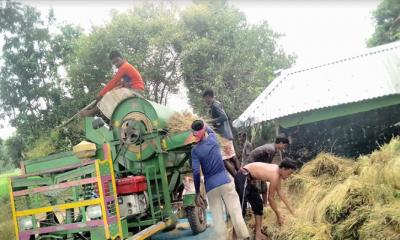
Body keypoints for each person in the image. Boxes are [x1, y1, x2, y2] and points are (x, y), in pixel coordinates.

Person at [191, 120, 249, 240]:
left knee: (217, 218)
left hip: (211, 187)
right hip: (225, 181)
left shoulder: (195, 151)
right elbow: (209, 129)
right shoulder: (213, 139)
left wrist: (197, 192)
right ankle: (245, 237)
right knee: (235, 212)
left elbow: (196, 172)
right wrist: (203, 123)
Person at [235, 159, 296, 240]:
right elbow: (270, 199)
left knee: (258, 205)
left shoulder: (278, 173)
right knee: (242, 208)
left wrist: (291, 209)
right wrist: (278, 215)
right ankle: (234, 237)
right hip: (243, 175)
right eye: (289, 173)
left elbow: (280, 192)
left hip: (249, 179)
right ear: (283, 169)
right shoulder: (275, 175)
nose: (289, 176)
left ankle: (258, 234)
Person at [203, 89, 240, 177]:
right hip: (226, 135)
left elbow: (224, 117)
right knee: (232, 156)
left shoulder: (215, 105)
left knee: (224, 160)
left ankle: (238, 179)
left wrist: (208, 121)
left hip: (223, 136)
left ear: (209, 97)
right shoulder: (215, 105)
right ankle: (242, 176)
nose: (205, 101)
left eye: (205, 99)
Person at [246, 136, 290, 203]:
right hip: (252, 165)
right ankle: (257, 204)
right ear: (281, 143)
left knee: (264, 186)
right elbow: (267, 165)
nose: (284, 147)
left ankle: (265, 205)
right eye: (285, 145)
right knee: (255, 187)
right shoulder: (271, 149)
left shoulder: (273, 148)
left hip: (258, 164)